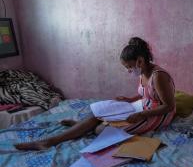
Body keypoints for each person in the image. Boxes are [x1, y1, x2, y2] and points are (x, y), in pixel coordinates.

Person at [15, 37, 176, 150]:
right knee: (97, 116)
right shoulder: (143, 71)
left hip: (157, 114)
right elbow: (147, 94)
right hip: (143, 107)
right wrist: (129, 99)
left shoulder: (158, 76)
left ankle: (83, 128)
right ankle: (50, 141)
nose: (128, 71)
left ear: (140, 61)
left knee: (100, 130)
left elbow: (169, 106)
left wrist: (141, 116)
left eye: (129, 67)